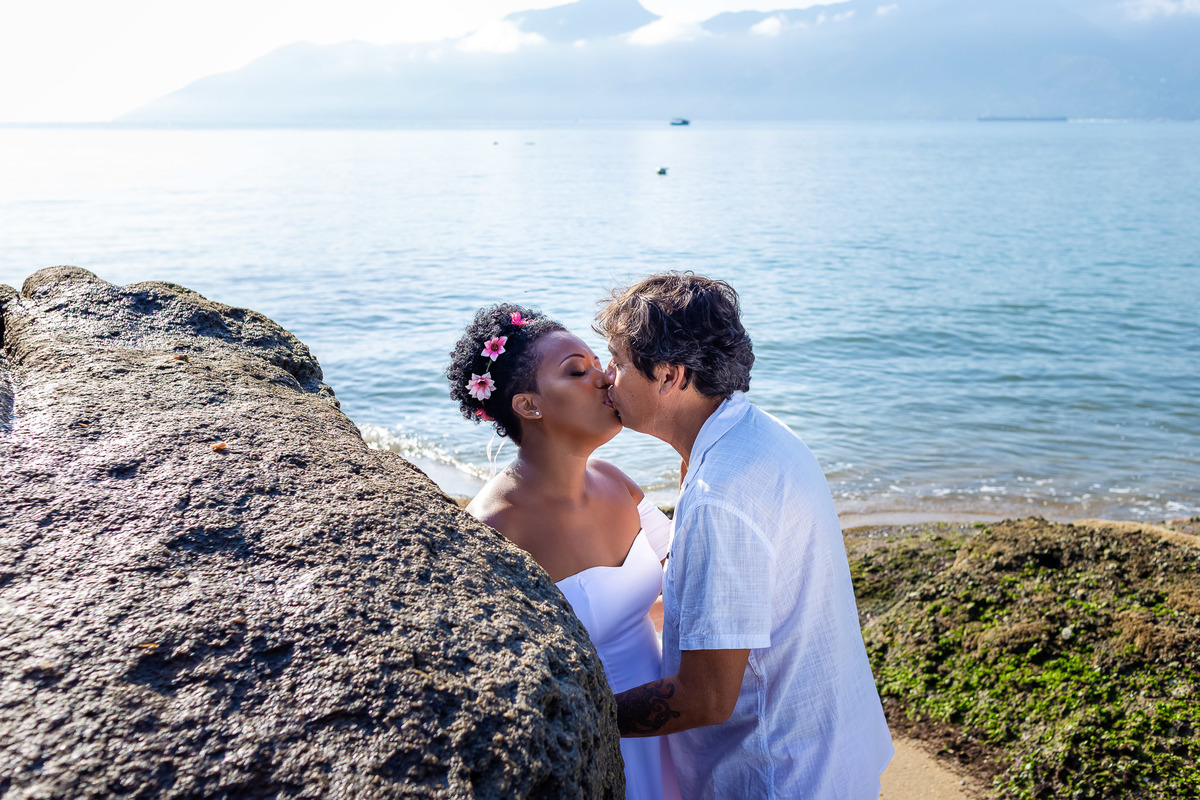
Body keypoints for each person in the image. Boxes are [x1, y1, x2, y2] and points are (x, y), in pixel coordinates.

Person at [595, 272, 893, 799]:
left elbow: (707, 696)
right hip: (830, 751)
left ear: (669, 376)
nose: (605, 376)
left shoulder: (721, 495)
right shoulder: (756, 435)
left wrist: (587, 716)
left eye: (617, 361)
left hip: (778, 776)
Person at [446, 304, 681, 800]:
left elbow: (685, 577)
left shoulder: (616, 482)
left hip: (676, 715)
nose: (606, 378)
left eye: (599, 363)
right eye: (578, 370)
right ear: (529, 406)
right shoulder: (493, 529)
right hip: (596, 746)